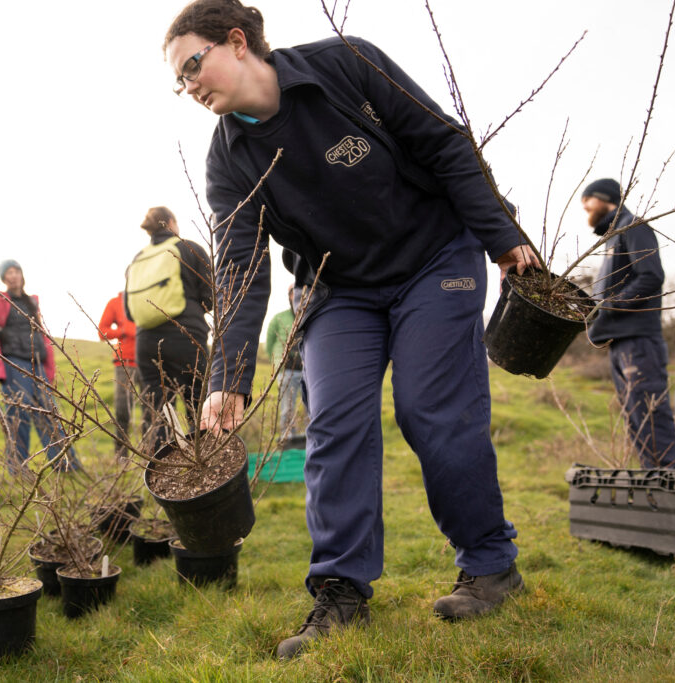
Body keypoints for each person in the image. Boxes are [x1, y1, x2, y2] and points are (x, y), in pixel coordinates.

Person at [164, 0, 534, 658]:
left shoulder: (344, 65)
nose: (190, 85)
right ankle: (341, 592)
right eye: (179, 80)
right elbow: (242, 268)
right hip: (338, 290)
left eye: (193, 65)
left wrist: (502, 239)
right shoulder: (229, 162)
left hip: (433, 257)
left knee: (430, 410)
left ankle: (490, 565)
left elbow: (444, 143)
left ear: (238, 41)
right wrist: (227, 378)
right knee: (331, 424)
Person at [582, 178, 675, 468]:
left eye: (587, 200)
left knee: (652, 421)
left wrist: (608, 307)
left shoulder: (633, 227)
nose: (585, 207)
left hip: (638, 342)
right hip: (621, 344)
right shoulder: (612, 237)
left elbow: (650, 277)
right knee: (638, 424)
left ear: (603, 198)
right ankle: (656, 497)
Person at [0, 260, 81, 472]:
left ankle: (65, 464)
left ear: (22, 275)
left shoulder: (32, 301)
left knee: (49, 412)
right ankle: (17, 466)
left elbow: (40, 331)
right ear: (4, 278)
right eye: (9, 273)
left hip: (37, 363)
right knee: (18, 414)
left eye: (16, 272)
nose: (13, 276)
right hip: (14, 362)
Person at [125, 206, 213, 451]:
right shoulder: (189, 248)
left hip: (146, 344)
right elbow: (211, 297)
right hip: (186, 336)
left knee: (158, 413)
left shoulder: (137, 259)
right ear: (172, 223)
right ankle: (205, 468)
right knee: (198, 404)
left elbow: (130, 312)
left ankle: (165, 478)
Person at [98, 291, 139, 459]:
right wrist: (124, 330)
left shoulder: (149, 297)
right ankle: (121, 457)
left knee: (154, 411)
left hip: (150, 361)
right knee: (122, 410)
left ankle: (154, 456)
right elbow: (102, 332)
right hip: (125, 363)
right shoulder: (115, 302)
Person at [265, 284, 306, 445]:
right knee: (287, 407)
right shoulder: (279, 318)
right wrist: (277, 361)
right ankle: (288, 438)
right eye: (293, 293)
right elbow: (269, 344)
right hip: (287, 371)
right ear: (289, 296)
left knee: (310, 406)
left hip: (308, 370)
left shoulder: (309, 316)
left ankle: (308, 437)